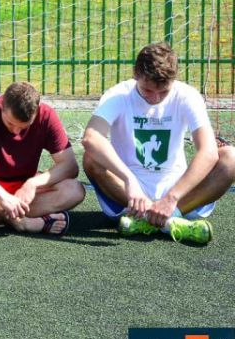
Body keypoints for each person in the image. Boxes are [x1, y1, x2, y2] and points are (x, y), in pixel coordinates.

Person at [82, 42, 235, 244]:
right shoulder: (119, 94)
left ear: (174, 80)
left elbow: (208, 151)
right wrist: (129, 180)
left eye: (163, 92)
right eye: (147, 90)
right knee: (91, 157)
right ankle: (170, 223)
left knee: (231, 157)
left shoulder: (187, 95)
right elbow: (91, 137)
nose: (155, 98)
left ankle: (160, 219)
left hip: (180, 196)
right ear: (136, 74)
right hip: (129, 197)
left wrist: (172, 198)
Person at [0, 81, 84, 235]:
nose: (16, 131)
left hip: (20, 189)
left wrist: (32, 184)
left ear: (36, 111)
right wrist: (1, 195)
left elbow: (70, 166)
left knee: (74, 190)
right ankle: (21, 222)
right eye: (10, 123)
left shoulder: (46, 115)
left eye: (24, 126)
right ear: (2, 105)